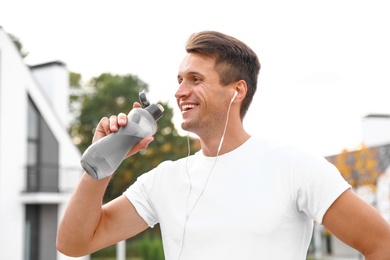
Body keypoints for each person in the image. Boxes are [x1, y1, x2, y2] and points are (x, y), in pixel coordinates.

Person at [56, 31, 390, 259]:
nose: (179, 91)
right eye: (179, 80)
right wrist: (102, 164)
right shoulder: (164, 179)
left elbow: (381, 244)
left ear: (237, 90)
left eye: (195, 80)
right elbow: (75, 242)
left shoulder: (294, 166)